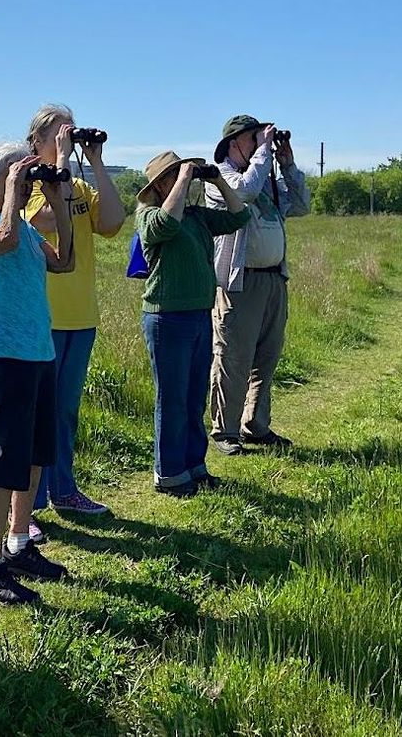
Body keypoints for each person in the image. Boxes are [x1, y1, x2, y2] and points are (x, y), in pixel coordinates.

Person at [0, 142, 75, 603]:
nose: (25, 182)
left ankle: (19, 543)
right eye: (15, 175)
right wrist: (11, 190)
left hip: (39, 350)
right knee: (4, 459)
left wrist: (58, 197)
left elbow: (64, 261)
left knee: (33, 456)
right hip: (5, 354)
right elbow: (1, 243)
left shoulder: (27, 229)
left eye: (25, 177)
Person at [23, 104, 125, 533]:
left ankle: (61, 490)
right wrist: (61, 162)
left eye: (68, 135)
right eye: (56, 136)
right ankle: (28, 506)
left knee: (65, 411)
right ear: (36, 144)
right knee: (36, 414)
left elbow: (115, 221)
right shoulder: (26, 186)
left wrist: (96, 160)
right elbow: (46, 218)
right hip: (44, 317)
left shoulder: (80, 187)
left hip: (81, 314)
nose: (65, 141)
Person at [135, 151, 250, 497]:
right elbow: (165, 226)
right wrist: (184, 179)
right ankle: (168, 473)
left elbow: (239, 216)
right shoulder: (148, 215)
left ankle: (193, 466)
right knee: (171, 398)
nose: (183, 178)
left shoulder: (198, 216)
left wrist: (215, 179)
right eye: (173, 175)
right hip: (166, 317)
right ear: (160, 185)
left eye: (182, 173)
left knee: (193, 395)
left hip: (199, 314)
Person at [205, 115, 312, 456]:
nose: (260, 144)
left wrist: (288, 163)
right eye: (254, 139)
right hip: (239, 281)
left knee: (266, 357)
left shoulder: (265, 175)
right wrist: (265, 154)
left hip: (272, 279)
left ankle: (256, 424)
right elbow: (245, 192)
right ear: (236, 142)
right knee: (233, 357)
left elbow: (303, 206)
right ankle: (224, 430)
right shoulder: (219, 175)